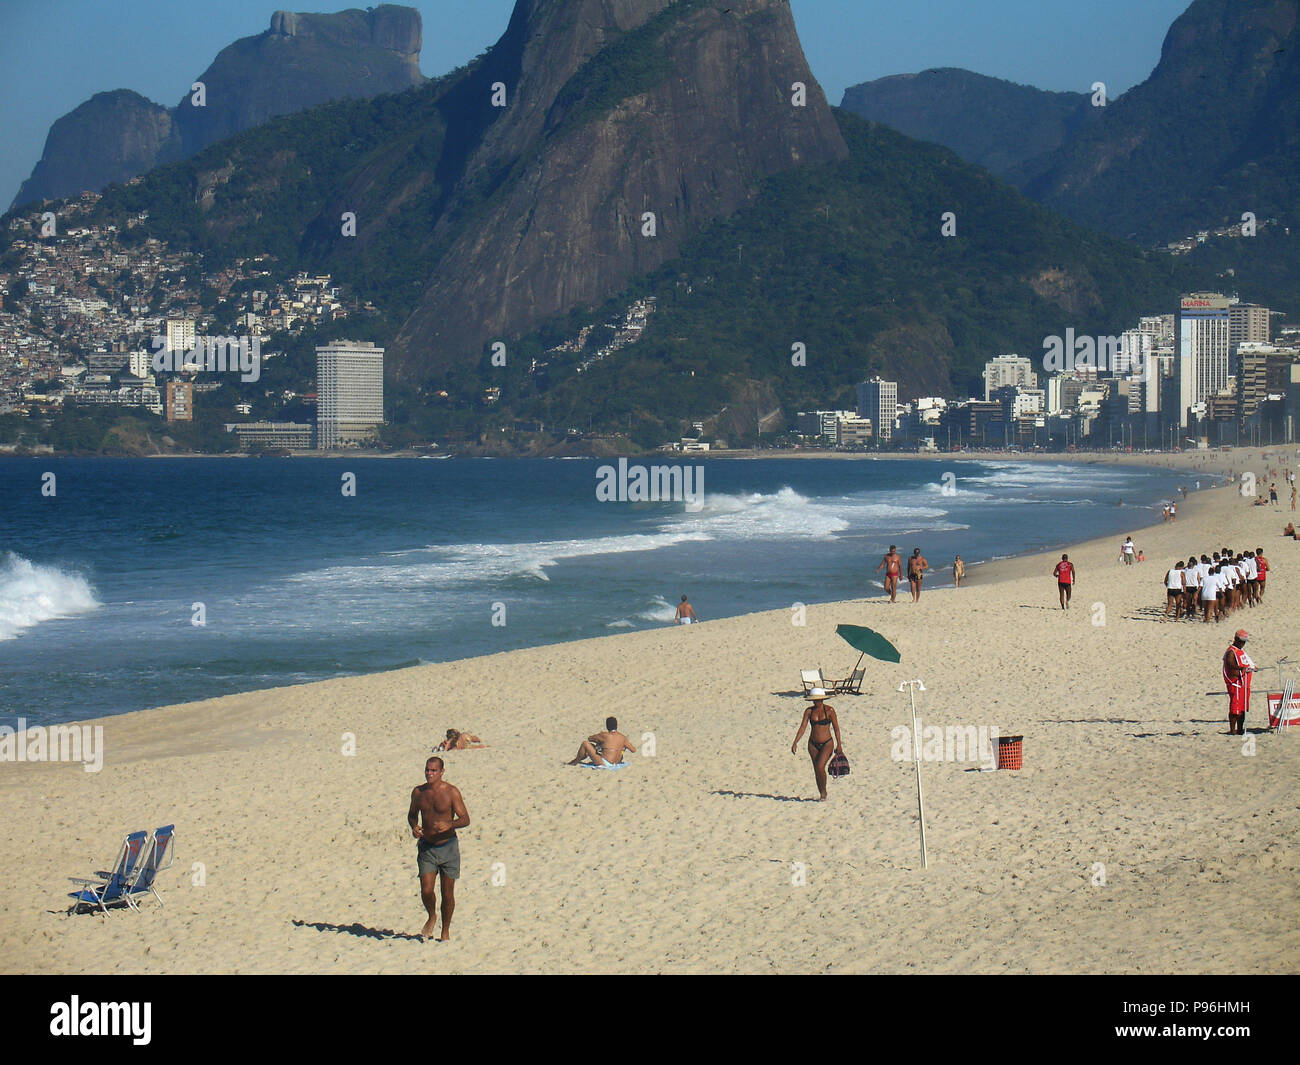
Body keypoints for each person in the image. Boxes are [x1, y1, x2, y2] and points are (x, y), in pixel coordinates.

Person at [408, 756, 470, 941]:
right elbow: (411, 815)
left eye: (434, 770)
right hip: (427, 847)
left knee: (447, 893)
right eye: (427, 770)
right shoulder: (418, 792)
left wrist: (450, 824)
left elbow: (465, 819)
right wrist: (414, 826)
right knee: (427, 890)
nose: (429, 773)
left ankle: (445, 930)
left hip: (448, 847)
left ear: (442, 772)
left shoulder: (451, 792)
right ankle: (432, 916)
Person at [791, 688, 844, 802]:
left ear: (822, 700)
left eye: (819, 700)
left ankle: (824, 792)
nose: (817, 703)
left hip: (827, 743)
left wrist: (839, 744)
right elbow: (803, 727)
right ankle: (821, 792)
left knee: (820, 767)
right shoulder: (809, 711)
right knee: (817, 769)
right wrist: (796, 741)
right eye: (815, 701)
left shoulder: (829, 710)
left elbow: (836, 728)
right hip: (812, 743)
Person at [1223, 630, 1257, 736]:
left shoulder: (1240, 651)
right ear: (1236, 639)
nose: (1243, 643)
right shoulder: (1231, 652)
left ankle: (1240, 729)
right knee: (1235, 707)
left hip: (1244, 682)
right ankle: (1233, 730)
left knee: (1243, 707)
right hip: (1236, 682)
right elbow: (1230, 665)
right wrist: (1242, 669)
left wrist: (1251, 668)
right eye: (1241, 641)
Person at [568, 716, 637, 768]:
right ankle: (578, 759)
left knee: (585, 744)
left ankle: (575, 761)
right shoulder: (623, 737)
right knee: (598, 747)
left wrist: (599, 737)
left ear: (607, 726)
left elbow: (590, 738)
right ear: (616, 726)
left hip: (605, 763)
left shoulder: (605, 735)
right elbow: (633, 750)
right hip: (616, 763)